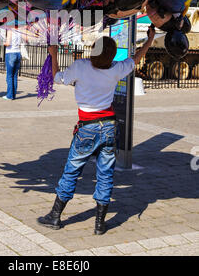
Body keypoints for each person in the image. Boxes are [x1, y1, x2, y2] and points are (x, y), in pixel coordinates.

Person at [37, 26, 156, 235]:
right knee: (105, 174)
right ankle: (100, 224)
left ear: (93, 50)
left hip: (87, 128)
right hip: (109, 126)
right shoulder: (116, 69)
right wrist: (149, 40)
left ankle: (55, 216)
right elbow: (136, 58)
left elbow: (57, 78)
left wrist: (53, 54)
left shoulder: (81, 66)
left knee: (72, 171)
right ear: (111, 54)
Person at [3, 29, 22, 100]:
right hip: (17, 52)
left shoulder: (10, 30)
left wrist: (2, 42)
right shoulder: (19, 30)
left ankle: (9, 95)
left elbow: (8, 43)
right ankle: (13, 95)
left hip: (10, 53)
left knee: (9, 76)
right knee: (15, 76)